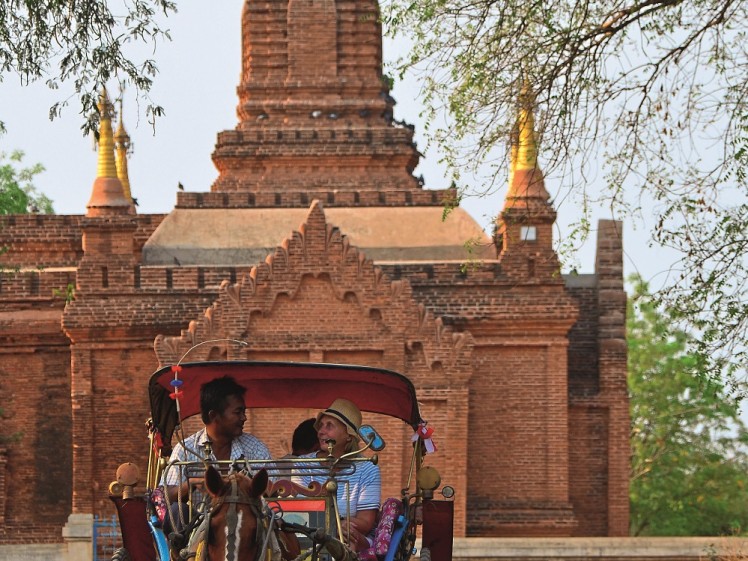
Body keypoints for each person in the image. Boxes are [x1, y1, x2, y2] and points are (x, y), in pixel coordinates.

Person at [161, 375, 271, 534]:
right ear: (214, 416)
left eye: (244, 412)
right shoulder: (185, 449)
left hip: (244, 530)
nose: (244, 418)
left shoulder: (255, 449)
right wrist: (192, 484)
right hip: (197, 530)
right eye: (238, 412)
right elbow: (164, 498)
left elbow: (272, 492)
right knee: (177, 510)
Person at [292, 398, 380, 552]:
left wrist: (339, 527)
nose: (320, 431)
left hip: (349, 539)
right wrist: (335, 523)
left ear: (349, 435)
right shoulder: (302, 464)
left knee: (348, 538)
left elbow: (365, 523)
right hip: (307, 536)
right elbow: (300, 514)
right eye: (321, 426)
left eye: (329, 426)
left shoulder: (367, 468)